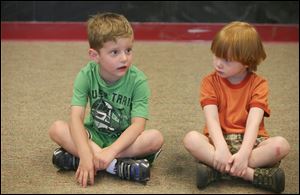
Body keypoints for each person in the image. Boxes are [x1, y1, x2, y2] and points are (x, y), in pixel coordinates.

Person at [48, 12, 164, 188]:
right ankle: (116, 167)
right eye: (114, 52)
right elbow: (75, 118)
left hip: (124, 140)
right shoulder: (86, 75)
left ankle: (80, 160)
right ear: (95, 55)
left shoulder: (138, 81)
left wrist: (111, 150)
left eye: (128, 50)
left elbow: (138, 125)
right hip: (94, 136)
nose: (124, 58)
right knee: (56, 129)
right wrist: (86, 152)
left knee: (155, 138)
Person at [183, 21, 290, 193]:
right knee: (191, 139)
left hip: (251, 142)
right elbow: (211, 119)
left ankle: (218, 171)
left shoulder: (259, 84)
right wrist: (221, 148)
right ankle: (250, 174)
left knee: (281, 145)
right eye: (216, 55)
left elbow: (254, 123)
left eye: (226, 60)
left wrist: (244, 154)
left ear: (247, 62)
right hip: (219, 140)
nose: (218, 63)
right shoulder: (209, 82)